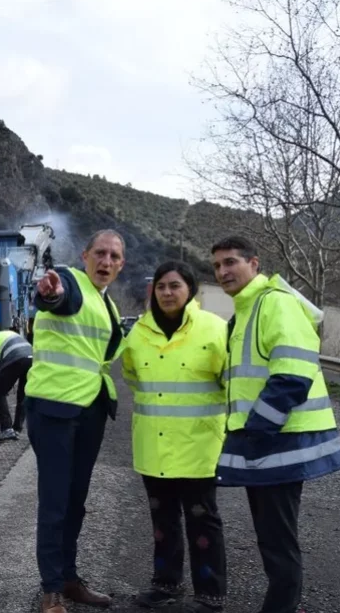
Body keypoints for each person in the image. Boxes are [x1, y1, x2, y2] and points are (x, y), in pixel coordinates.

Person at [210, 236, 340, 613]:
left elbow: (293, 375)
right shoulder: (245, 311)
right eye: (217, 265)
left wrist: (258, 430)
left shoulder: (275, 303)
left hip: (279, 442)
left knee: (277, 540)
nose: (223, 271)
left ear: (254, 264)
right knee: (272, 536)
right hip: (270, 441)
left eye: (231, 262)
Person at [27, 229, 126, 613]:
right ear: (85, 256)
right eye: (100, 253)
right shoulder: (70, 280)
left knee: (75, 501)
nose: (106, 261)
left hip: (89, 410)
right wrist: (50, 292)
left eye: (114, 256)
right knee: (55, 502)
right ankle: (51, 589)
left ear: (121, 265)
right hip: (54, 409)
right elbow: (54, 297)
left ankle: (68, 577)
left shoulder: (108, 305)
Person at [120, 261, 229, 612]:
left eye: (175, 286)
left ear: (190, 290)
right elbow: (132, 378)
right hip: (154, 445)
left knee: (202, 521)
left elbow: (230, 382)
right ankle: (166, 584)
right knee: (162, 522)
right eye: (161, 286)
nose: (167, 293)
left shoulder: (214, 328)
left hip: (199, 446)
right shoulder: (139, 333)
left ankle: (210, 594)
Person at [0, 329, 33, 441]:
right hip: (31, 357)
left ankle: (7, 429)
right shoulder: (5, 334)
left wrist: (1, 386)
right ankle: (17, 428)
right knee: (23, 394)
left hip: (16, 358)